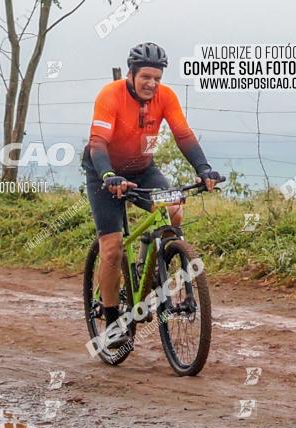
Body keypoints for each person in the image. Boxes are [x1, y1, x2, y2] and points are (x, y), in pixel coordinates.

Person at [82, 42, 222, 349]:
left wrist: (204, 168)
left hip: (143, 169)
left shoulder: (165, 97)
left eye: (157, 78)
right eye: (146, 76)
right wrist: (108, 175)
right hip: (103, 171)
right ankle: (112, 319)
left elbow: (183, 134)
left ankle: (148, 269)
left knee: (174, 210)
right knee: (112, 249)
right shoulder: (110, 95)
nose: (152, 83)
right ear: (131, 74)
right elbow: (98, 143)